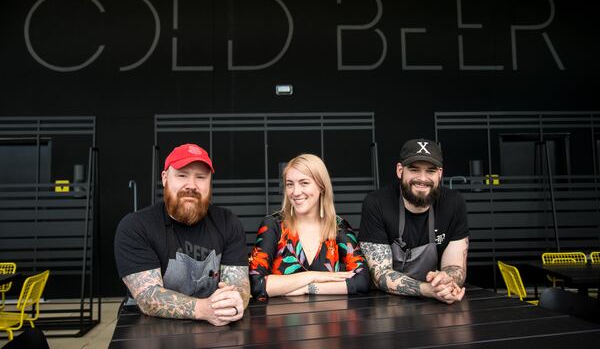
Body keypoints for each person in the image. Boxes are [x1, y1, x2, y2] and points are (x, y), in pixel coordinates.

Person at [114, 143, 250, 326]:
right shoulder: (136, 227)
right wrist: (204, 309)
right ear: (165, 178)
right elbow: (148, 296)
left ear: (209, 182)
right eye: (182, 175)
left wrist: (235, 301)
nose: (191, 185)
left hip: (215, 324)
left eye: (200, 177)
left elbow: (239, 284)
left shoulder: (228, 223)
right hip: (148, 328)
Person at [359, 139, 469, 304]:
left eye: (430, 171)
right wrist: (427, 290)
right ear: (400, 170)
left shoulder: (454, 203)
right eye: (414, 169)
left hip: (435, 304)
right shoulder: (376, 203)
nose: (422, 178)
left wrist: (447, 281)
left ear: (440, 173)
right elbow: (380, 275)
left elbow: (455, 266)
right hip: (386, 304)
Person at [249, 154, 370, 299]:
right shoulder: (273, 225)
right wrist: (312, 276)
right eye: (290, 184)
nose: (295, 192)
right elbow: (256, 284)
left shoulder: (338, 227)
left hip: (329, 318)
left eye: (304, 183)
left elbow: (362, 281)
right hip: (279, 319)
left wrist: (308, 288)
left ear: (321, 186)